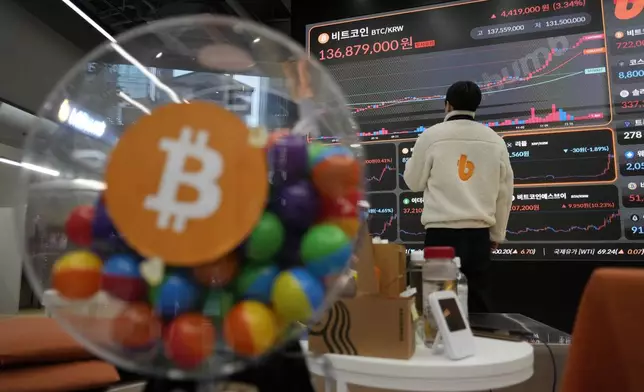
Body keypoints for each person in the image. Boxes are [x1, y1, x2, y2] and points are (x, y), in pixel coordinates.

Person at [403, 81, 514, 313]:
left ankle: (443, 347)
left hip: (440, 235)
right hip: (478, 236)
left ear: (447, 105)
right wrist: (496, 234)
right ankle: (482, 347)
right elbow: (505, 192)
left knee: (438, 302)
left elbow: (413, 183)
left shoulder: (430, 136)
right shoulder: (495, 140)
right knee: (478, 302)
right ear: (476, 106)